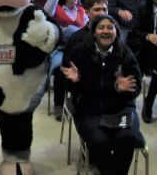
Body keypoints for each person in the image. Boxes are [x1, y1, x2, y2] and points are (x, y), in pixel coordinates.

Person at [61, 14, 143, 175]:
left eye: (110, 27)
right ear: (93, 33)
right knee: (100, 140)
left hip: (121, 109)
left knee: (126, 138)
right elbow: (68, 86)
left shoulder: (125, 54)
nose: (106, 31)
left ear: (116, 32)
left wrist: (123, 90)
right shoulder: (79, 52)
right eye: (101, 27)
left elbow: (137, 86)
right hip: (89, 111)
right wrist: (75, 81)